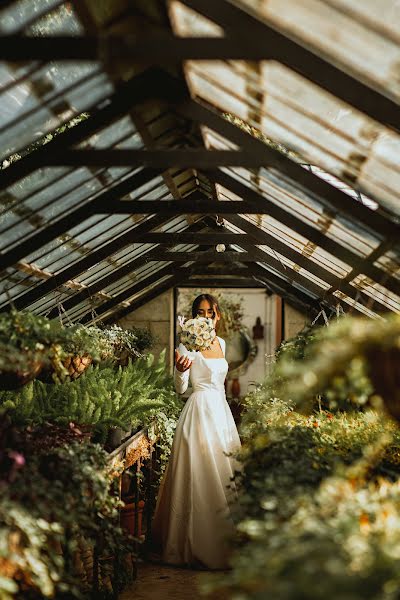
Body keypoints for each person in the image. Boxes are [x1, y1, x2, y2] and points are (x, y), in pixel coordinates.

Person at [151, 294, 242, 570]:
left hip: (221, 413)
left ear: (217, 316)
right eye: (199, 312)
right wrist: (179, 371)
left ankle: (224, 541)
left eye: (209, 312)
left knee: (225, 472)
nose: (204, 316)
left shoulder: (222, 343)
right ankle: (191, 543)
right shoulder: (186, 342)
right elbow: (181, 388)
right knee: (198, 473)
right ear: (193, 316)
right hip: (198, 410)